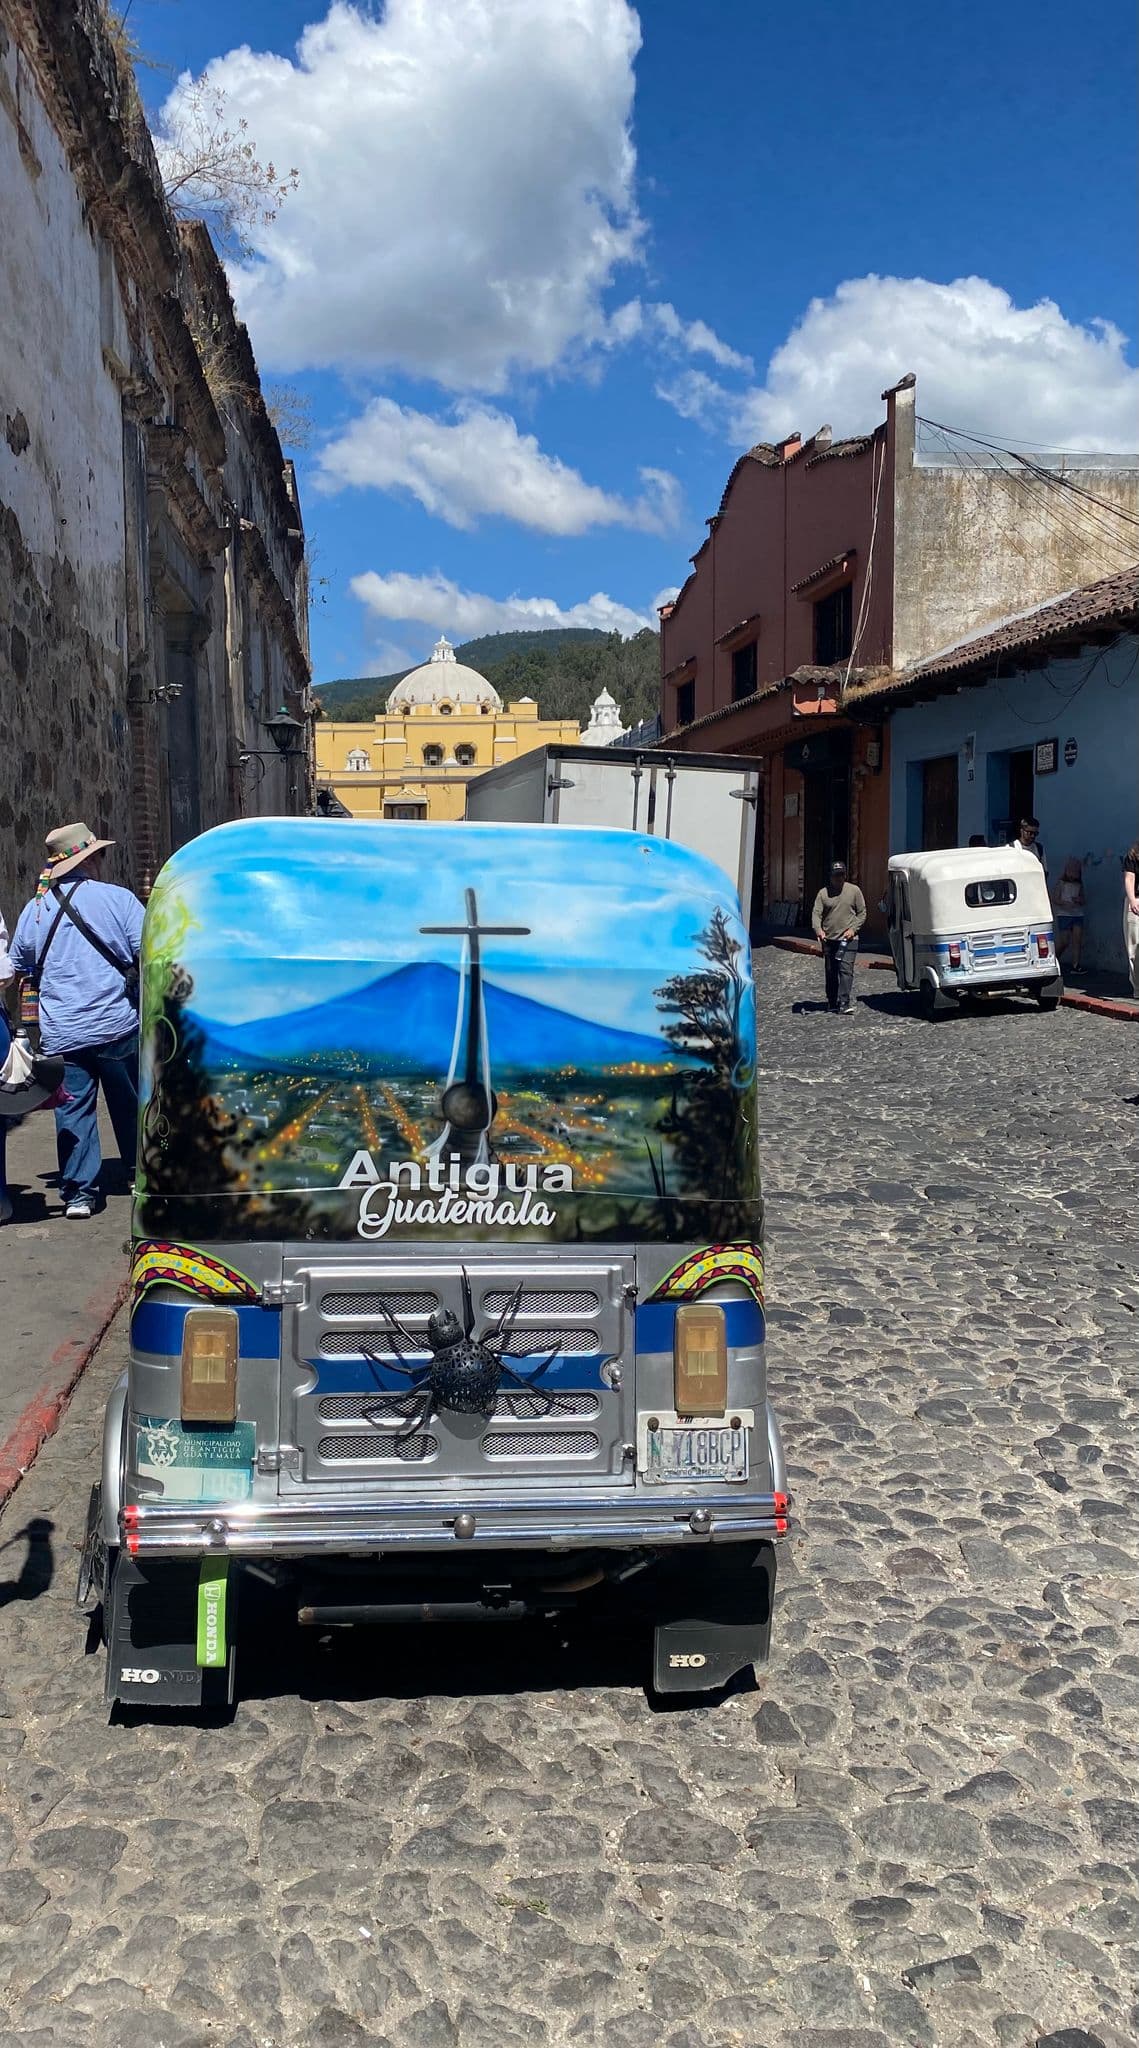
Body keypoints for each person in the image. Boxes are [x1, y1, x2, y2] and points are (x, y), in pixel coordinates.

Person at [9, 824, 144, 1219]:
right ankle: (139, 1175)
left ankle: (79, 1195)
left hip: (63, 1029)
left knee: (73, 1110)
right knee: (131, 1103)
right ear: (91, 859)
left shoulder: (35, 909)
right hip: (117, 1022)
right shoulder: (118, 899)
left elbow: (19, 965)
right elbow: (149, 950)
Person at [812, 860, 867, 1015]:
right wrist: (818, 930)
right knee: (831, 971)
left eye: (842, 875)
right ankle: (832, 1001)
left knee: (846, 970)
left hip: (848, 939)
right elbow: (816, 913)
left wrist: (853, 929)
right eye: (836, 875)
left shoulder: (854, 891)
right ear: (831, 876)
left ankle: (844, 1002)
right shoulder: (823, 893)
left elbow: (862, 913)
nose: (839, 878)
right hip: (829, 939)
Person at [1053, 857, 1085, 974]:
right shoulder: (1061, 883)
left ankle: (1076, 965)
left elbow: (1083, 898)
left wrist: (1079, 900)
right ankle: (1054, 959)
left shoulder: (1079, 884)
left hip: (1077, 914)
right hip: (1064, 914)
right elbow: (1055, 898)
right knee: (1064, 941)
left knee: (1077, 940)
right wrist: (1064, 903)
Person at [1124, 841, 1139, 998]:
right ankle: (1138, 988)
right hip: (1136, 900)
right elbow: (1129, 878)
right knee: (1134, 948)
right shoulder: (1133, 855)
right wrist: (1132, 900)